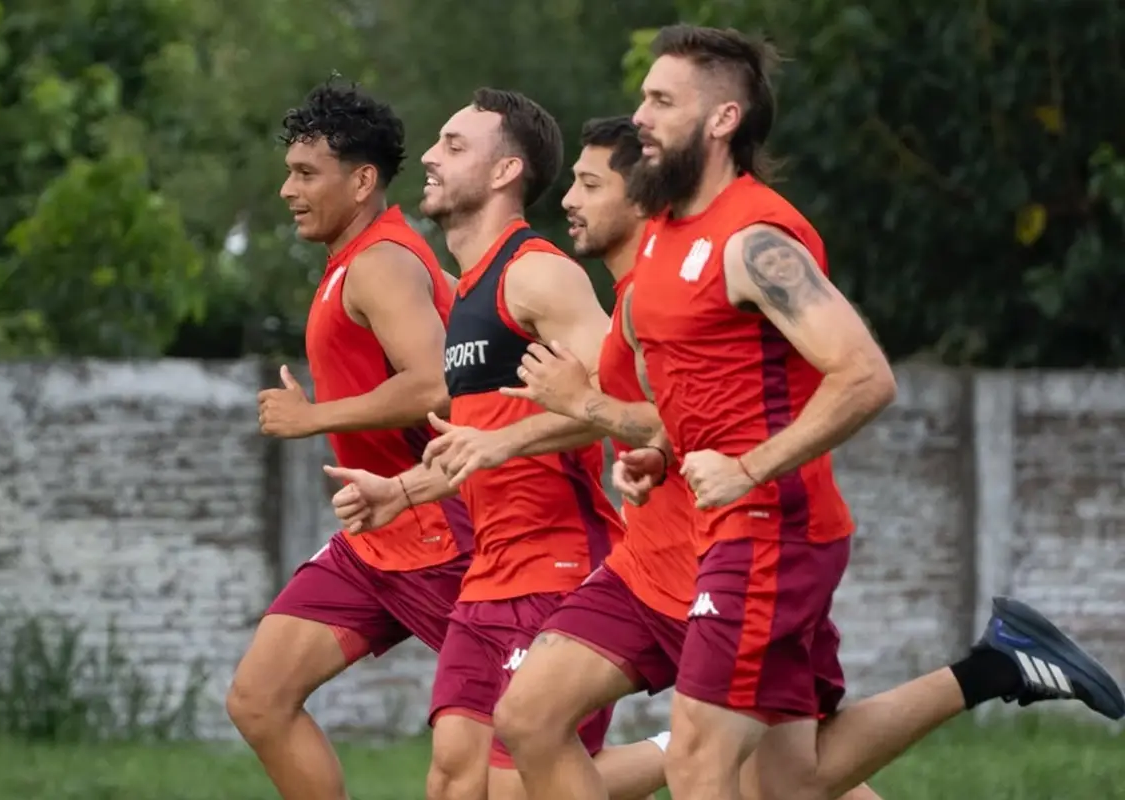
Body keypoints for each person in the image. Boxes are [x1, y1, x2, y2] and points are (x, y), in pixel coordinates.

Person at [613, 24, 1125, 800]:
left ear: (722, 120)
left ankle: (998, 662)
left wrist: (747, 468)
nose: (639, 117)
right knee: (789, 783)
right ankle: (996, 663)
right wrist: (666, 450)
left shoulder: (754, 240)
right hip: (743, 527)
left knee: (696, 762)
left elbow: (863, 376)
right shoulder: (662, 235)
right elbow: (721, 392)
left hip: (767, 531)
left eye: (660, 100)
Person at [489, 117, 882, 800]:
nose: (568, 201)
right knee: (528, 719)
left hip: (720, 559)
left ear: (639, 195)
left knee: (778, 779)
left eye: (588, 184)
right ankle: (993, 668)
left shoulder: (681, 283)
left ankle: (991, 670)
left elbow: (684, 421)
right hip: (650, 564)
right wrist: (640, 454)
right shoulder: (641, 291)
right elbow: (676, 428)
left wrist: (588, 407)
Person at [325, 89, 666, 800]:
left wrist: (506, 442)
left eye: (454, 145)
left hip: (559, 562)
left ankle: (683, 750)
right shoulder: (469, 291)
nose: (428, 156)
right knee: (452, 777)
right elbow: (480, 444)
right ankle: (690, 750)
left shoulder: (536, 274)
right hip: (489, 574)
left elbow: (633, 402)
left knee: (516, 787)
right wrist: (404, 490)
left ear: (507, 170)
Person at [225, 79, 474, 800]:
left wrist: (314, 419)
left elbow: (434, 384)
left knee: (520, 764)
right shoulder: (356, 260)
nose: (287, 190)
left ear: (362, 180)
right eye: (290, 171)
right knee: (260, 699)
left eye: (307, 174)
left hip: (437, 538)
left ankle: (697, 754)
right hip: (375, 540)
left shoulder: (382, 263)